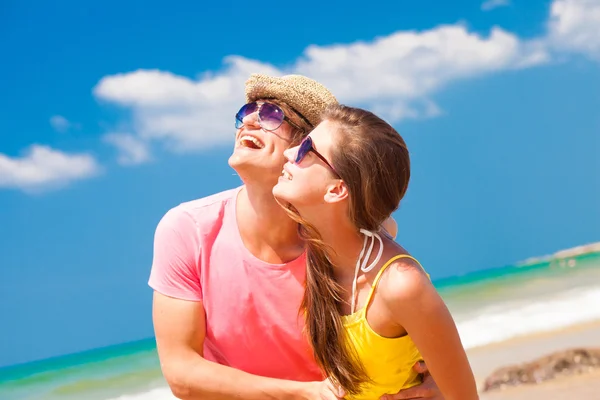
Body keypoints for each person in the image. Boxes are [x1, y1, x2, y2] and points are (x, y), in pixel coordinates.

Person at [149, 73, 445, 399]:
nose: (248, 121)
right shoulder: (187, 230)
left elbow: (410, 306)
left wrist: (436, 376)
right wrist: (306, 393)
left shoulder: (348, 238)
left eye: (271, 116)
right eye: (246, 112)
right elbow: (181, 371)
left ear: (306, 149)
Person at [272, 104, 479, 400]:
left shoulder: (400, 286)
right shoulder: (324, 244)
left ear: (337, 190)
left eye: (306, 149)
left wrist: (443, 391)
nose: (288, 153)